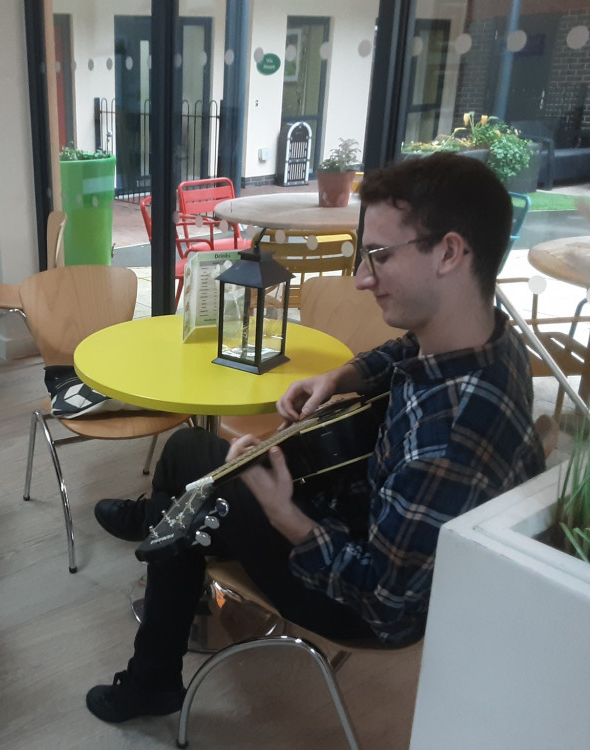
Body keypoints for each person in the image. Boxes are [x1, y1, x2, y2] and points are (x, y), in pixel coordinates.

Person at [86, 152, 547, 723]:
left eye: (379, 256)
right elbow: (409, 349)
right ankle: (168, 519)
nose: (360, 279)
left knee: (189, 459)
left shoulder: (453, 437)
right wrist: (344, 375)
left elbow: (382, 599)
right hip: (360, 512)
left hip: (354, 595)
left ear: (450, 252)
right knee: (201, 473)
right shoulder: (489, 337)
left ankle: (153, 664)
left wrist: (284, 516)